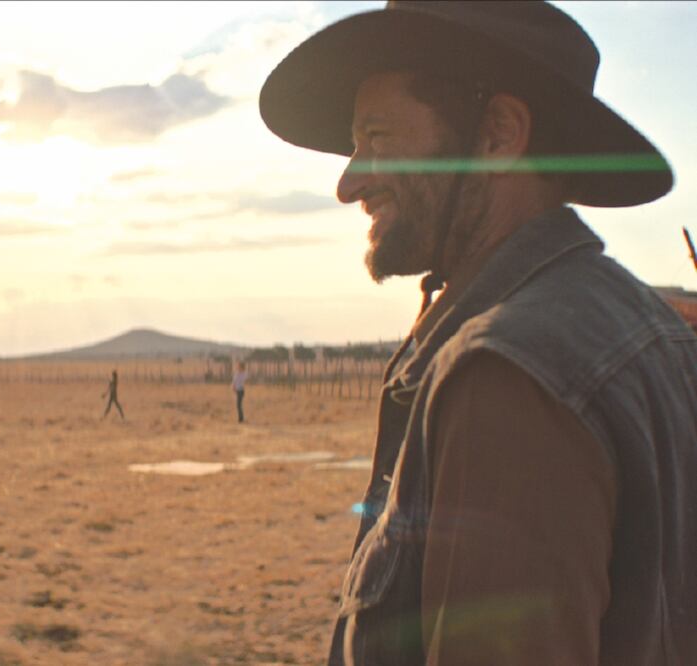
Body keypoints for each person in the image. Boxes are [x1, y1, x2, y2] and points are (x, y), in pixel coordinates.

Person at [259, 2, 697, 665]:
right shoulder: (652, 327)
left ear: (496, 133)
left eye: (377, 137)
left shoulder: (508, 370)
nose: (349, 182)